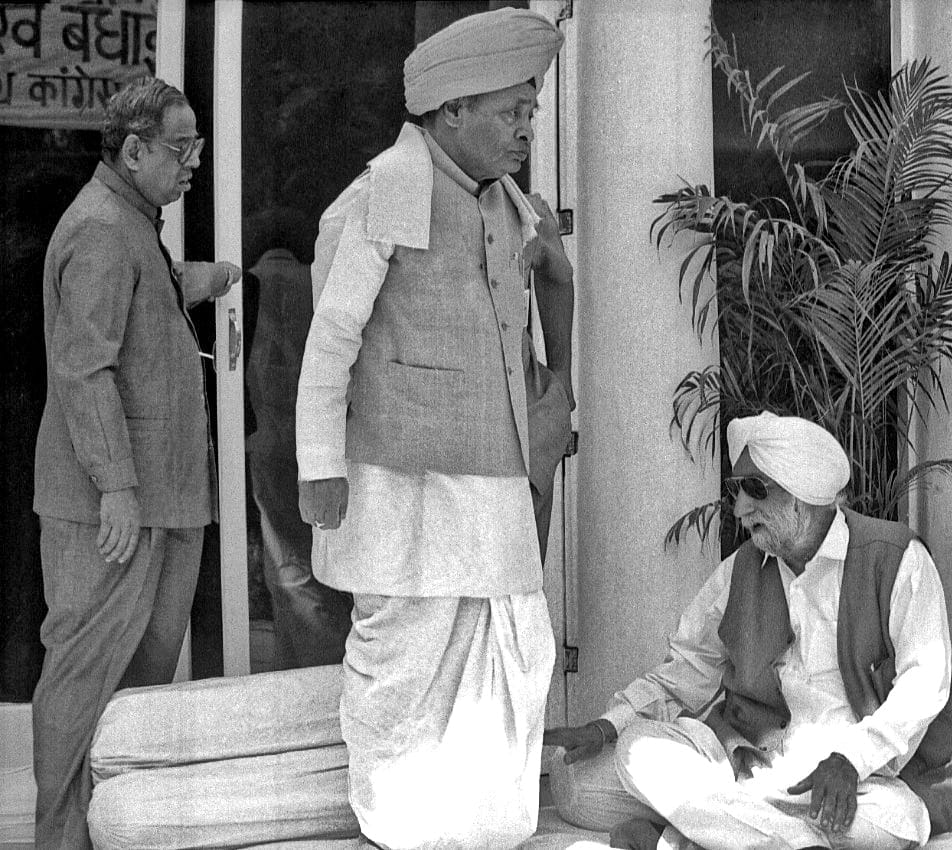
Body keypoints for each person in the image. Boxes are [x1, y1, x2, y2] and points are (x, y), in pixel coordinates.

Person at [294, 8, 573, 849]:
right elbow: (332, 334)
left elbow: (552, 283)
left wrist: (556, 388)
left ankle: (485, 827)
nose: (528, 129)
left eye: (530, 111)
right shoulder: (386, 187)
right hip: (399, 478)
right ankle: (397, 830)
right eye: (512, 112)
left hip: (493, 470)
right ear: (450, 111)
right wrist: (318, 462)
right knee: (402, 666)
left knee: (515, 646)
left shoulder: (509, 200)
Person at [545, 412, 952, 850]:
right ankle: (788, 842)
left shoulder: (896, 557)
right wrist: (609, 726)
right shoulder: (739, 570)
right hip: (753, 766)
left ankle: (692, 837)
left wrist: (851, 759)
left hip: (862, 780)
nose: (740, 508)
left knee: (896, 819)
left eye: (755, 491)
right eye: (736, 491)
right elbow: (684, 673)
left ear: (801, 493)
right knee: (608, 766)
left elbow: (924, 685)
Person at [31, 77, 239, 850]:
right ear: (133, 149)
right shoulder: (102, 231)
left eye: (197, 146)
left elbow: (140, 302)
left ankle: (111, 833)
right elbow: (84, 368)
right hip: (114, 509)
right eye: (182, 148)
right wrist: (117, 487)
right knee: (85, 681)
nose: (194, 162)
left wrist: (205, 281)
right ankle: (59, 842)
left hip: (160, 502)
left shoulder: (128, 223)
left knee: (133, 696)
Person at [243, 208, 352, 669]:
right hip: (321, 440)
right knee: (327, 568)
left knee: (287, 573)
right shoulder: (317, 281)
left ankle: (300, 672)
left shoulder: (250, 285)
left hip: (268, 442)